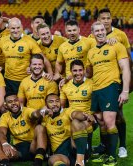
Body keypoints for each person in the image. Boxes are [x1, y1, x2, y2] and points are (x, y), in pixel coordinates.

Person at [86, 21, 130, 165]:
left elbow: (125, 69)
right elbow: (89, 72)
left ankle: (112, 157)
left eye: (102, 30)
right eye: (96, 31)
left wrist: (125, 91)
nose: (100, 32)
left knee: (110, 121)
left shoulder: (116, 45)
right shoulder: (91, 52)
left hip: (111, 87)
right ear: (92, 34)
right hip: (96, 90)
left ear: (106, 30)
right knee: (102, 122)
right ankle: (105, 153)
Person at [0, 17, 53, 94]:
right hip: (8, 80)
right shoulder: (2, 41)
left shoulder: (30, 41)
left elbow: (43, 59)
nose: (16, 30)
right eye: (13, 28)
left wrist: (50, 74)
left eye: (18, 28)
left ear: (22, 27)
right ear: (8, 28)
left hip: (26, 80)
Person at [40, 93, 94, 166]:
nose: (55, 104)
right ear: (46, 105)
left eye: (57, 101)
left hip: (74, 146)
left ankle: (80, 161)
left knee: (76, 121)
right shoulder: (44, 118)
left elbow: (75, 114)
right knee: (52, 159)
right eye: (51, 102)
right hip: (60, 153)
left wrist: (84, 116)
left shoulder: (66, 111)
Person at [0, 94, 47, 166]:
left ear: (19, 102)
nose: (14, 103)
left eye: (15, 100)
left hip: (33, 146)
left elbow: (35, 114)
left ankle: (38, 161)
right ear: (6, 106)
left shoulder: (27, 110)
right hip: (19, 149)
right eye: (10, 102)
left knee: (40, 127)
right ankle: (5, 163)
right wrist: (5, 144)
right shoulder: (5, 116)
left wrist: (41, 111)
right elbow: (1, 132)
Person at [60, 59, 94, 157]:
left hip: (88, 116)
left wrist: (92, 114)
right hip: (72, 114)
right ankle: (85, 151)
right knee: (74, 123)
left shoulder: (92, 84)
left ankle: (84, 152)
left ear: (84, 70)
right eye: (75, 71)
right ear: (71, 71)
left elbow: (96, 103)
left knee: (77, 124)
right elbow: (62, 105)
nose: (78, 73)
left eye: (80, 70)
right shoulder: (65, 86)